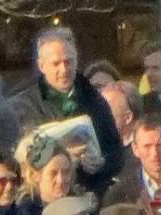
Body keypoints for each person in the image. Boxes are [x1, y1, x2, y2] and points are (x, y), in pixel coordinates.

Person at [7, 27, 127, 193]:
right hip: (45, 197)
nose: (64, 70)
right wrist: (64, 158)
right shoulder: (23, 105)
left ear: (77, 61)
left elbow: (117, 154)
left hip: (90, 192)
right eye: (56, 63)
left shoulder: (95, 100)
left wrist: (101, 164)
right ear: (41, 65)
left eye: (68, 62)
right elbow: (19, 160)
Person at [101, 113, 161, 210]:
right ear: (135, 149)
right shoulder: (119, 194)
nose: (155, 153)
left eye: (160, 145)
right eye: (147, 146)